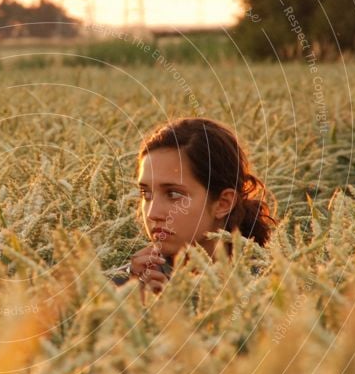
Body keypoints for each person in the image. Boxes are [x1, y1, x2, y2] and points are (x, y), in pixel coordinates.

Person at [108, 117, 278, 300]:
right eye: (146, 194)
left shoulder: (274, 291)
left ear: (223, 203)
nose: (152, 213)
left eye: (174, 194)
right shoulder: (108, 292)